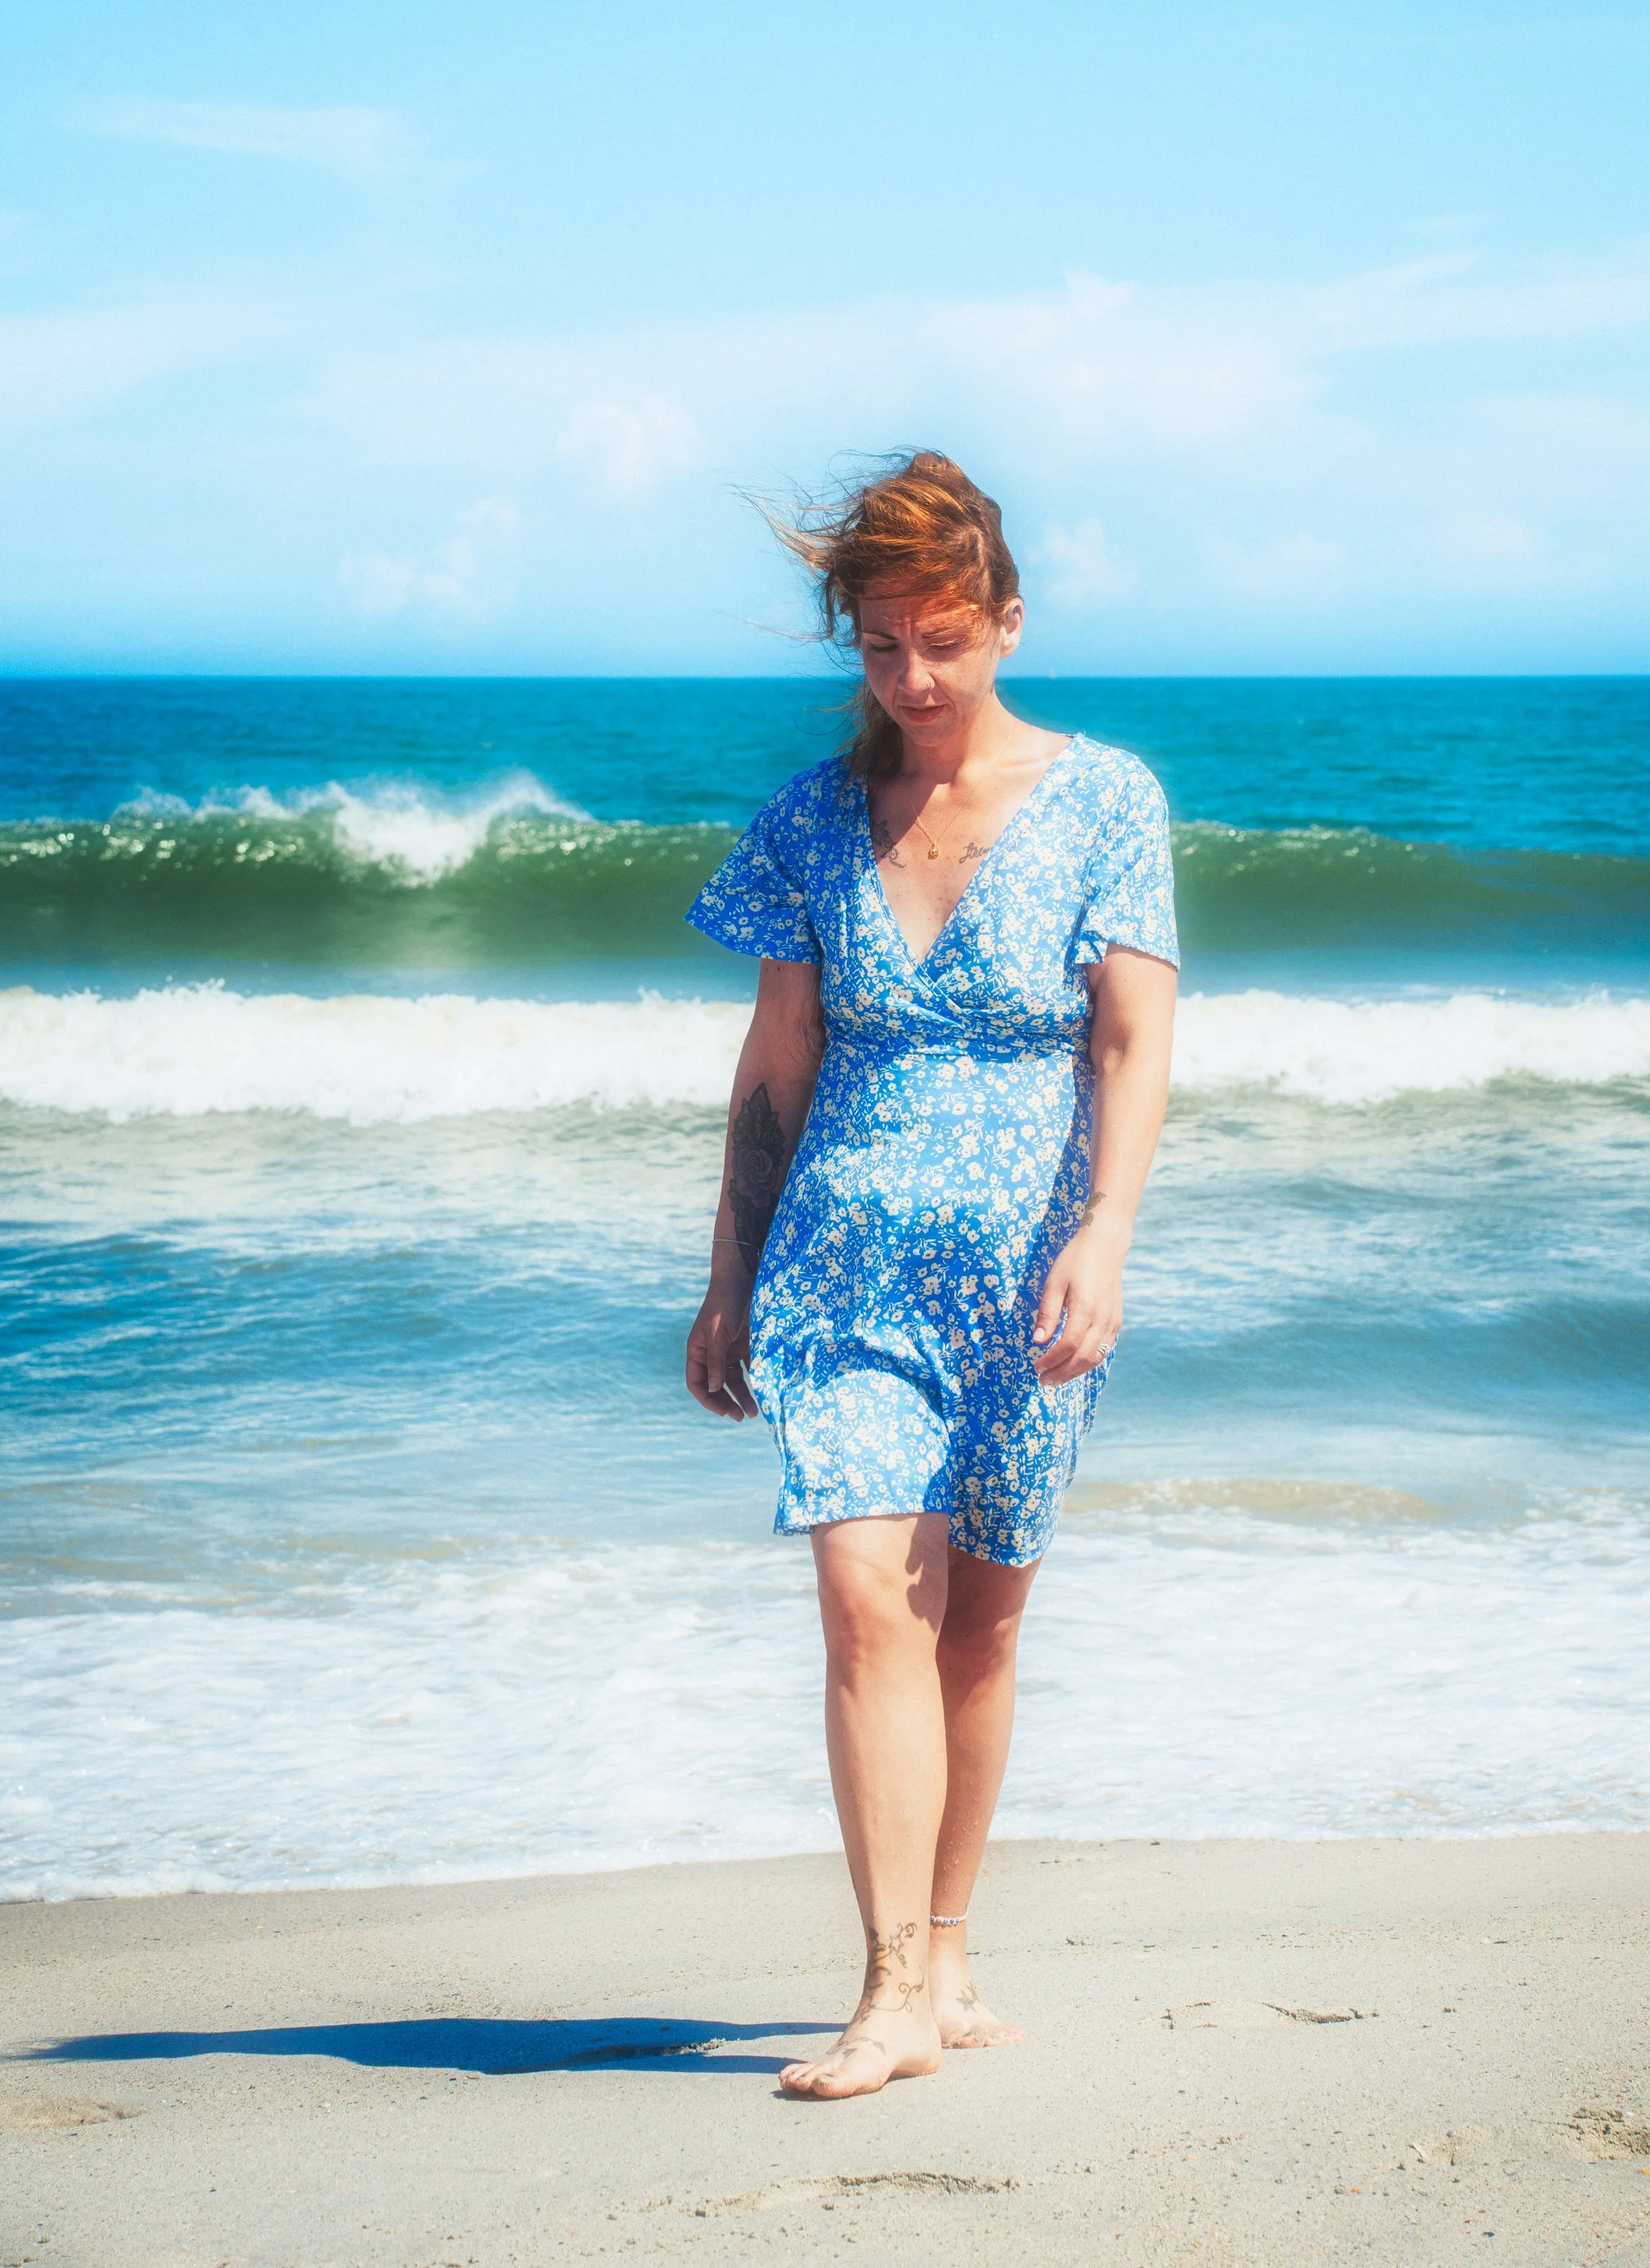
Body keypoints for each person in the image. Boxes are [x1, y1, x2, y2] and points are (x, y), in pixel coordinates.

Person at [682, 450, 1178, 2101]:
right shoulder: (813, 820)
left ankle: (949, 1948)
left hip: (1025, 1283)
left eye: (941, 642)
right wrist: (726, 1276)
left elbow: (1128, 1036)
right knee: (859, 1598)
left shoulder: (1105, 798)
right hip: (840, 1269)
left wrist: (1105, 1232)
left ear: (1005, 623)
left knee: (976, 1625)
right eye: (881, 646)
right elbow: (773, 1065)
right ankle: (889, 1985)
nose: (910, 679)